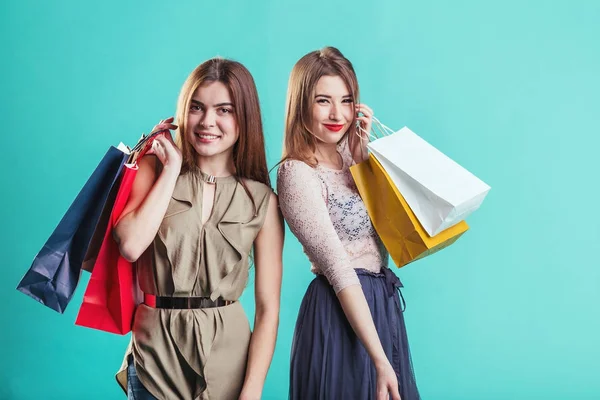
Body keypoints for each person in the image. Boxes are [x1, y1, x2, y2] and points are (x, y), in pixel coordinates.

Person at [113, 57, 284, 400]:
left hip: (230, 364)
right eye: (197, 108)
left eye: (224, 110)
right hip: (154, 359)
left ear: (244, 118)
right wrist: (172, 169)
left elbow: (268, 309)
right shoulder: (154, 168)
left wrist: (252, 390)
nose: (208, 122)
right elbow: (130, 244)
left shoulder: (263, 200)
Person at [277, 46, 420, 400]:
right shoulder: (296, 173)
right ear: (300, 105)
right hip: (338, 312)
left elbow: (394, 235)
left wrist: (363, 158)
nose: (337, 113)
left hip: (380, 306)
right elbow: (338, 267)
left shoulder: (353, 154)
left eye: (346, 100)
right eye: (323, 100)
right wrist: (379, 359)